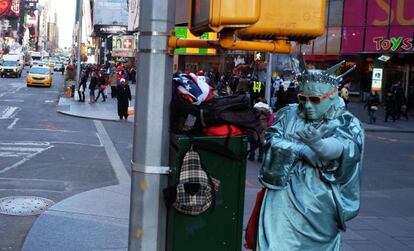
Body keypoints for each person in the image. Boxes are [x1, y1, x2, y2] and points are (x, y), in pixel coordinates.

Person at [256, 64, 364, 251]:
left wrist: (320, 146)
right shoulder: (289, 113)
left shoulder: (347, 122)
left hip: (319, 204)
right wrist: (300, 149)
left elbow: (344, 147)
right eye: (302, 98)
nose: (307, 105)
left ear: (332, 98)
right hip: (282, 197)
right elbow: (270, 139)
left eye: (314, 99)